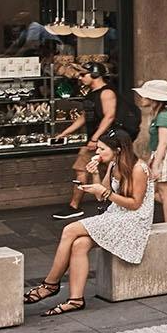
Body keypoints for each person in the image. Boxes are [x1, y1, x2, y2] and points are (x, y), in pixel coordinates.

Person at [23, 129, 151, 315]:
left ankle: (50, 285)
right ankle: (76, 300)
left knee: (69, 229)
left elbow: (135, 204)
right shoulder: (113, 165)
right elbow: (102, 196)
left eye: (101, 149)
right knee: (79, 244)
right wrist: (95, 176)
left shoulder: (139, 168)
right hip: (116, 214)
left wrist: (105, 192)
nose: (97, 153)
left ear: (117, 149)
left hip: (134, 220)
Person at [51, 64, 119, 221]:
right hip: (94, 141)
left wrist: (96, 138)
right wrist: (66, 132)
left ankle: (116, 204)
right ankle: (74, 206)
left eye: (83, 75)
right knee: (81, 170)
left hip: (107, 141)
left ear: (95, 75)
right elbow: (84, 116)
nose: (80, 78)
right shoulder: (91, 94)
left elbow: (110, 116)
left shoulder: (107, 93)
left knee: (113, 173)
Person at [130, 78, 167, 224]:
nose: (141, 98)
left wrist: (156, 165)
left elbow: (163, 142)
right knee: (159, 191)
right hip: (166, 154)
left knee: (165, 193)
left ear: (153, 98)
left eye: (144, 95)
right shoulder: (162, 113)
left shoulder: (163, 115)